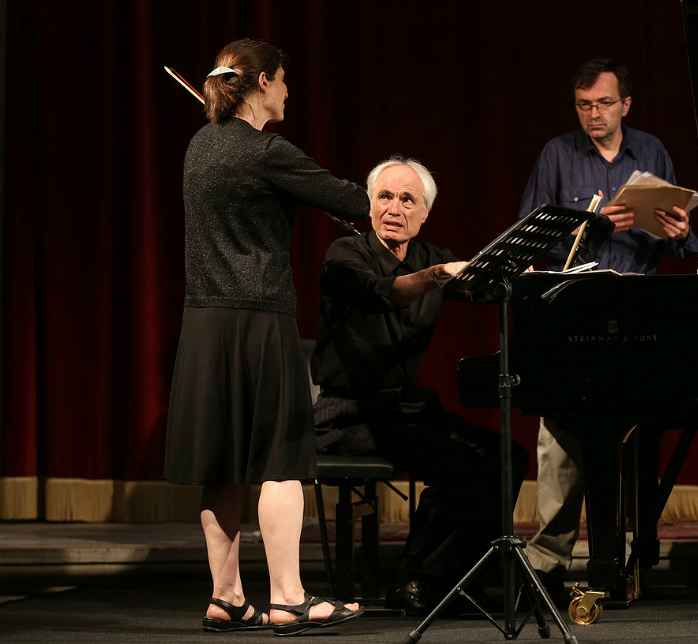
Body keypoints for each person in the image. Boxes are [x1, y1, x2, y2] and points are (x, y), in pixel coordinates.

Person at [164, 38, 370, 636]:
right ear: (261, 83)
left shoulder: (200, 144)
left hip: (204, 323)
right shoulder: (267, 151)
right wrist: (329, 198)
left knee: (222, 463)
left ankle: (226, 597)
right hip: (260, 318)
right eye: (283, 80)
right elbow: (354, 199)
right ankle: (289, 598)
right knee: (282, 460)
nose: (287, 91)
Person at [310, 156, 530, 616]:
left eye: (407, 199)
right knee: (459, 463)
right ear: (369, 205)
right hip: (348, 413)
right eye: (385, 197)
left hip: (405, 408)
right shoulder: (345, 254)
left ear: (425, 213)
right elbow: (380, 293)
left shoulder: (432, 256)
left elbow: (481, 289)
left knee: (506, 455)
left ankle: (459, 577)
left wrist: (518, 279)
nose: (394, 208)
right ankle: (415, 579)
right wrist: (436, 277)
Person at [517, 59, 698, 590]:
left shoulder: (652, 151)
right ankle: (549, 557)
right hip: (573, 305)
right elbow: (530, 234)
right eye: (583, 105)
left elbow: (682, 241)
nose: (593, 114)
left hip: (639, 310)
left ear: (625, 104)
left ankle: (633, 549)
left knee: (638, 428)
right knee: (560, 431)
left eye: (603, 103)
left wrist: (680, 232)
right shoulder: (558, 154)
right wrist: (593, 228)